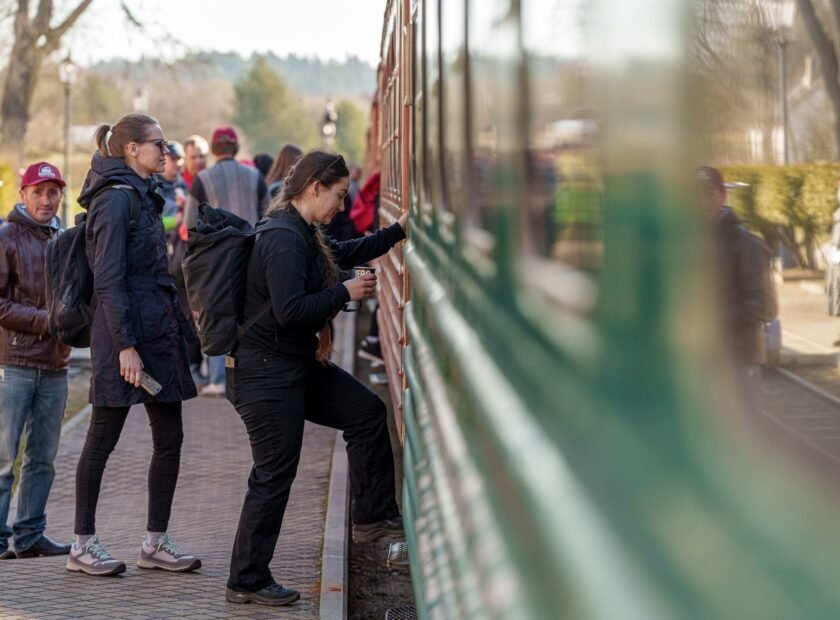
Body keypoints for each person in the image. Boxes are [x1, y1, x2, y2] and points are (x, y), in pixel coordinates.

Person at [225, 151, 407, 607]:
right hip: (265, 375)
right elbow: (290, 313)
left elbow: (339, 254)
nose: (342, 206)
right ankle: (245, 580)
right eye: (339, 195)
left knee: (366, 413)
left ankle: (372, 518)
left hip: (293, 366)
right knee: (273, 475)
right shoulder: (283, 238)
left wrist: (397, 232)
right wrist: (342, 292)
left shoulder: (301, 231)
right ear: (314, 188)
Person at [68, 113, 200, 577]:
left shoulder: (145, 195)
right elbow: (108, 280)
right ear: (131, 150)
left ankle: (155, 542)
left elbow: (153, 276)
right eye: (158, 144)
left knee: (171, 438)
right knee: (102, 437)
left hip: (157, 334)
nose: (166, 152)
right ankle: (82, 545)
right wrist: (125, 345)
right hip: (121, 338)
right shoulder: (115, 201)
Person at [0, 162, 71, 560]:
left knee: (42, 459)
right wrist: (46, 321)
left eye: (53, 192)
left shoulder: (64, 238)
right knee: (5, 459)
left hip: (56, 364)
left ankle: (29, 537)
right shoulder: (6, 237)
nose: (46, 199)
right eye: (38, 192)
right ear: (23, 195)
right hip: (13, 362)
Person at [185, 126, 270, 397]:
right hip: (252, 254)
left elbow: (190, 223)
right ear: (235, 148)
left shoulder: (202, 179)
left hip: (216, 259)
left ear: (213, 149)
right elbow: (268, 213)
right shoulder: (255, 176)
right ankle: (251, 376)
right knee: (251, 313)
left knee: (217, 313)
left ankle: (218, 379)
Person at [698, 166, 777, 378]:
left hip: (738, 364)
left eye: (708, 194)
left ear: (722, 196)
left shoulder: (746, 243)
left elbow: (765, 306)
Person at [157, 140, 186, 220]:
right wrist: (177, 206)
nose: (177, 163)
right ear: (163, 158)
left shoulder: (182, 183)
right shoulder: (154, 184)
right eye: (173, 159)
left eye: (179, 158)